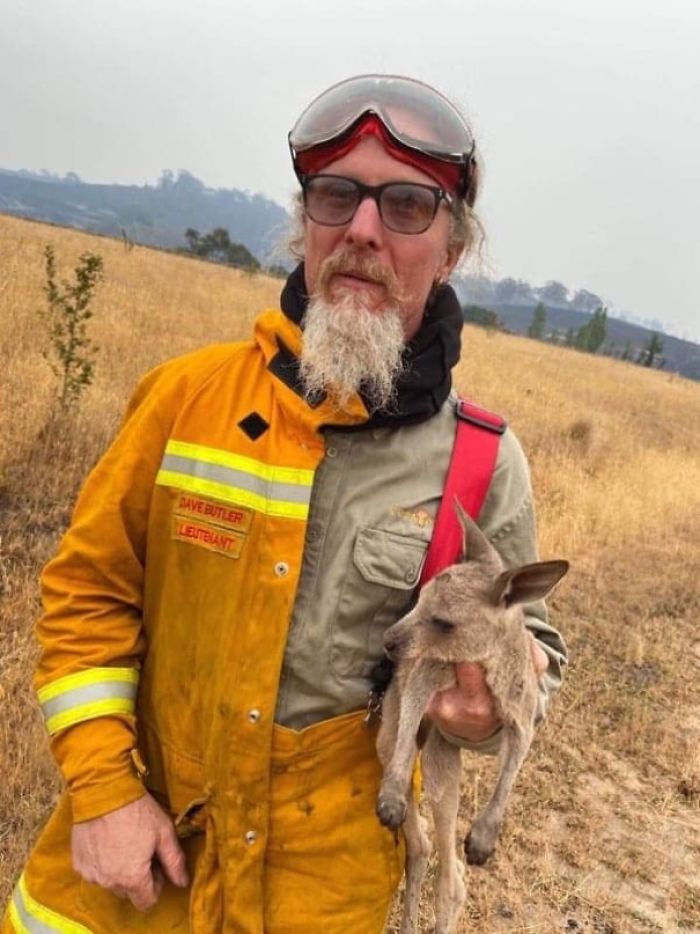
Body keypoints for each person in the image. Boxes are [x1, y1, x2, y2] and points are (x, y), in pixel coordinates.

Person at [3, 75, 567, 934]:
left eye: (408, 206)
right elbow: (87, 594)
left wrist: (492, 706)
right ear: (305, 224)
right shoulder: (183, 400)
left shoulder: (485, 463)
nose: (364, 230)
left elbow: (528, 646)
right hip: (134, 870)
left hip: (325, 886)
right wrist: (104, 792)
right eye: (337, 196)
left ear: (451, 250)